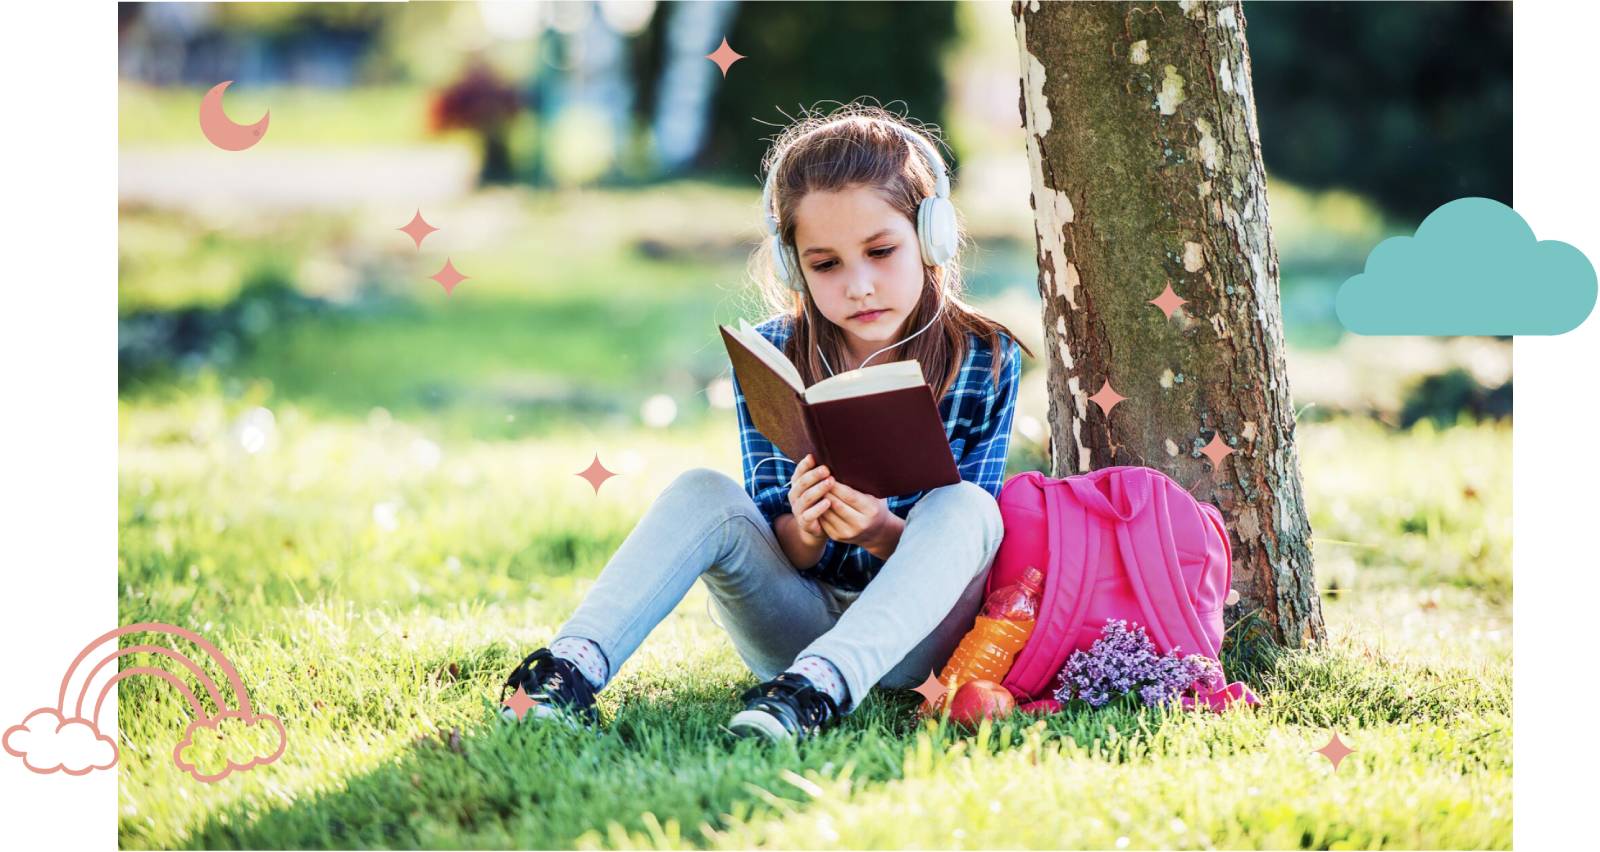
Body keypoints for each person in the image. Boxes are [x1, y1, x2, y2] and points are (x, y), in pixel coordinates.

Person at [500, 103, 1034, 744]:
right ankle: (567, 671)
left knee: (970, 508)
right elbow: (774, 538)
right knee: (703, 490)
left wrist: (880, 529)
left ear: (932, 236)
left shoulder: (986, 355)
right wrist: (807, 528)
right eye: (826, 264)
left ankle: (820, 690)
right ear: (793, 267)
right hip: (792, 626)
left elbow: (967, 551)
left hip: (913, 641)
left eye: (881, 251)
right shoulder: (773, 351)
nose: (859, 285)